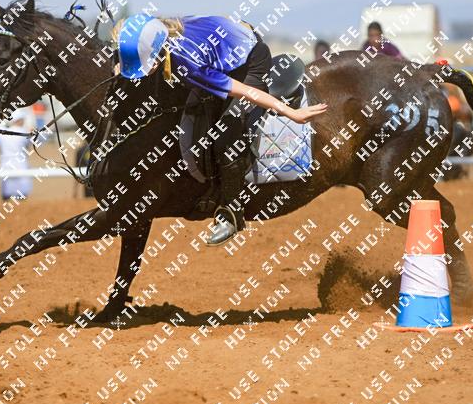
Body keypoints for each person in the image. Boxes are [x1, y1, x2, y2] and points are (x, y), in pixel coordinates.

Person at [115, 14, 327, 246]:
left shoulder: (188, 65)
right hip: (231, 51)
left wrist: (290, 112)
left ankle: (231, 214)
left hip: (251, 63)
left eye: (145, 66)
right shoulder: (164, 32)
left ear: (156, 57)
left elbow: (247, 92)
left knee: (226, 137)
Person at [0, 109, 34, 200]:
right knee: (21, 197)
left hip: (5, 164)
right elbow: (29, 145)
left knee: (6, 196)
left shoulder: (2, 132)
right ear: (19, 120)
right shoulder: (24, 132)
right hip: (21, 165)